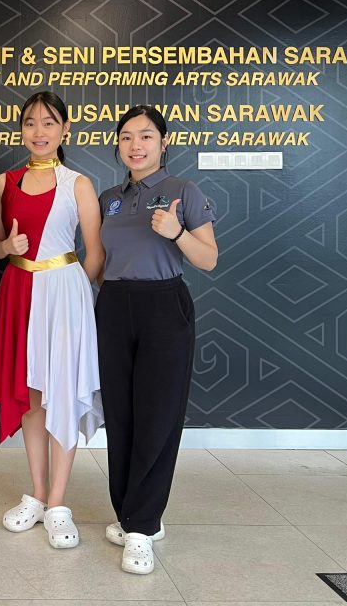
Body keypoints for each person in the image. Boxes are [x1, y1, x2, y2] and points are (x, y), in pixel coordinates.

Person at [96, 104, 218, 575]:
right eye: (127, 136)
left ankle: (143, 526)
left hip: (164, 306)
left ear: (163, 143)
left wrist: (177, 232)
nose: (136, 145)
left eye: (146, 136)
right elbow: (102, 261)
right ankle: (129, 513)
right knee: (121, 415)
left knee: (158, 417)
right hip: (114, 305)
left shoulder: (183, 191)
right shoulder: (109, 197)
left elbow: (208, 259)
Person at [0, 91, 104, 549]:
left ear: (65, 129)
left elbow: (95, 254)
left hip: (63, 296)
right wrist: (7, 248)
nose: (39, 132)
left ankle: (58, 503)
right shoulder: (5, 182)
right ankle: (37, 493)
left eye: (49, 123)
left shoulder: (78, 184)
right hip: (18, 291)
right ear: (21, 130)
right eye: (31, 123)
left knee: (61, 395)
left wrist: (73, 298)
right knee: (31, 396)